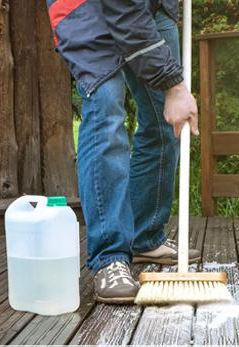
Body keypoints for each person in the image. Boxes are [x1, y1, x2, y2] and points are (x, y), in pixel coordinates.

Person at [47, 0, 200, 304]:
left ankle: (144, 236)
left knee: (163, 122)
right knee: (106, 107)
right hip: (84, 8)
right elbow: (123, 8)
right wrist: (174, 84)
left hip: (151, 7)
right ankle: (111, 255)